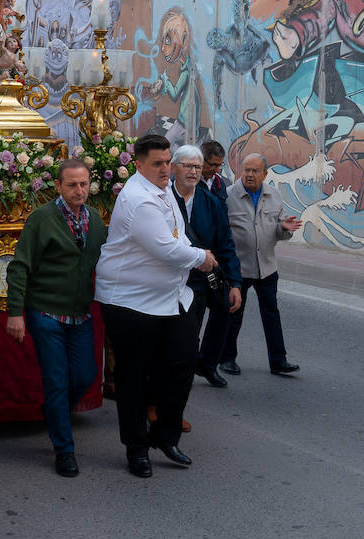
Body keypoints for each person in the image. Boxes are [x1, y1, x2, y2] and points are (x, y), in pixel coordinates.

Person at [94, 134, 216, 478]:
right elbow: (167, 249)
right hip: (130, 301)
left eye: (167, 162)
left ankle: (165, 435)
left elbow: (178, 234)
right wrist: (203, 258)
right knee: (133, 376)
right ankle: (137, 449)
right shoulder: (139, 198)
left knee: (181, 364)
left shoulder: (163, 190)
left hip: (170, 298)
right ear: (139, 165)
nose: (165, 169)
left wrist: (191, 252)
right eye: (158, 164)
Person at [4, 159, 106, 477]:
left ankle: (54, 410)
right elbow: (19, 266)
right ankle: (65, 450)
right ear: (58, 186)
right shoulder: (42, 218)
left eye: (84, 184)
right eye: (72, 184)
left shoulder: (96, 221)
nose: (79, 190)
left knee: (84, 376)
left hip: (80, 315)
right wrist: (16, 313)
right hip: (45, 313)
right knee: (57, 380)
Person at [221, 154, 303, 377]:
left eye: (255, 171)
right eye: (246, 169)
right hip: (239, 268)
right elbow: (221, 233)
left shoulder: (273, 195)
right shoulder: (229, 196)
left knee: (271, 315)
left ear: (264, 174)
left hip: (266, 267)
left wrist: (284, 228)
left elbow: (279, 232)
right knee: (234, 314)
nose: (249, 174)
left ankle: (278, 361)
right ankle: (227, 358)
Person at [169, 145, 242, 392]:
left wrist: (235, 283)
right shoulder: (161, 200)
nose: (193, 172)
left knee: (225, 309)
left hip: (204, 279)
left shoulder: (211, 202)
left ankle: (207, 363)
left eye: (197, 167)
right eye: (187, 166)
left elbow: (226, 243)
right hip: (175, 281)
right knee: (186, 338)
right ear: (173, 168)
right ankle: (179, 384)